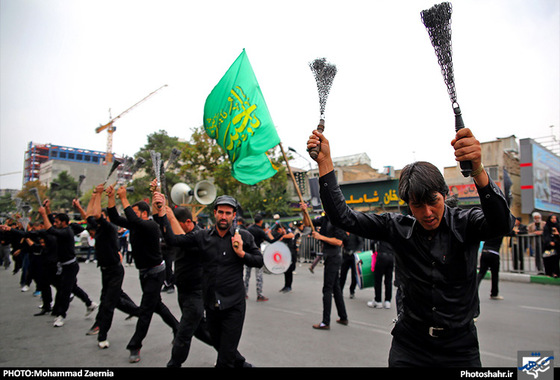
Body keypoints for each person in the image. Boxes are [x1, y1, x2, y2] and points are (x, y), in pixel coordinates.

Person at [306, 127, 514, 366]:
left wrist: (477, 169)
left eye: (432, 202)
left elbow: (501, 224)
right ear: (407, 205)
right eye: (417, 205)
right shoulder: (395, 227)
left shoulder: (466, 223)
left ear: (444, 194)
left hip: (460, 348)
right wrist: (325, 162)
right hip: (410, 346)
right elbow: (343, 217)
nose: (427, 213)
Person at [155, 194, 263, 368]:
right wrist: (161, 213)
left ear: (234, 215)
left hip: (234, 306)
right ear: (215, 213)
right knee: (218, 344)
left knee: (224, 360)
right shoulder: (202, 236)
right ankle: (242, 364)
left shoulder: (243, 236)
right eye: (221, 212)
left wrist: (241, 253)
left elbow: (259, 261)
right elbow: (173, 240)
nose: (224, 216)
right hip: (211, 306)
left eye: (228, 213)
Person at [106, 185, 179, 363]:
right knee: (156, 305)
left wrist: (124, 198)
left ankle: (135, 345)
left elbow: (134, 219)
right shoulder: (135, 224)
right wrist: (110, 197)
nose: (131, 215)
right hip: (144, 273)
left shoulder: (150, 225)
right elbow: (114, 217)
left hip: (155, 274)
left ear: (144, 214)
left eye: (135, 212)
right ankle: (178, 328)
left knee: (146, 309)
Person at [74, 187, 140, 349]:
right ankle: (139, 312)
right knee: (114, 298)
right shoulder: (97, 226)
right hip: (105, 269)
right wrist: (94, 195)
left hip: (115, 270)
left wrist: (97, 196)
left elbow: (94, 214)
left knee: (109, 302)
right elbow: (89, 214)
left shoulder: (109, 227)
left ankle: (102, 335)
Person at [37, 200, 97, 327]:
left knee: (64, 291)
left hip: (70, 266)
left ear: (63, 223)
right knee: (72, 287)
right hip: (64, 266)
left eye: (57, 222)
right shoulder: (62, 229)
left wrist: (43, 215)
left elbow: (51, 230)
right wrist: (47, 210)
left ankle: (61, 315)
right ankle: (89, 303)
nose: (55, 223)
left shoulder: (66, 232)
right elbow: (52, 225)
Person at [309, 211, 349, 330]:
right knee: (336, 288)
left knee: (327, 289)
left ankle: (325, 322)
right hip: (329, 256)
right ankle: (343, 317)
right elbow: (308, 223)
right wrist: (304, 210)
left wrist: (320, 237)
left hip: (334, 257)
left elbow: (338, 241)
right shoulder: (325, 219)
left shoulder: (337, 220)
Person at [245, 214, 279, 301]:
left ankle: (244, 293)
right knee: (259, 275)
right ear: (261, 221)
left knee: (247, 275)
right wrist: (280, 235)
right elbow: (271, 241)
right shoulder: (260, 231)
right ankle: (259, 294)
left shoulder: (249, 229)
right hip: (256, 252)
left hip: (248, 252)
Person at [367, 240, 395, 309]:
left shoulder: (382, 232)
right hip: (391, 256)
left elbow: (372, 243)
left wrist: (373, 252)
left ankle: (378, 300)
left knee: (378, 280)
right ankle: (387, 301)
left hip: (381, 256)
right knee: (388, 280)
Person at [339, 232, 363, 299]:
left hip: (354, 256)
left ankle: (352, 290)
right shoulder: (343, 233)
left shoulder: (354, 232)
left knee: (354, 275)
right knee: (343, 274)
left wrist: (358, 250)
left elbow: (360, 242)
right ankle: (340, 290)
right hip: (346, 255)